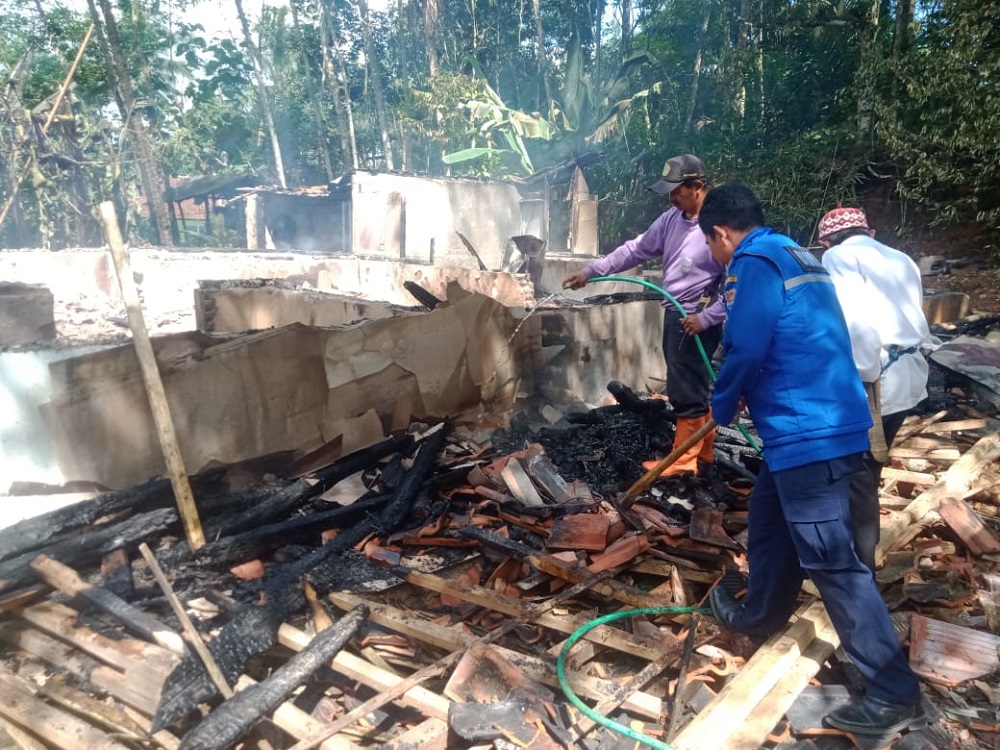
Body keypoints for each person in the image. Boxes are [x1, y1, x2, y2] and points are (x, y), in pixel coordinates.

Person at [701, 185, 925, 736]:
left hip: (810, 432)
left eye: (710, 243)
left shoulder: (752, 261)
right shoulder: (798, 253)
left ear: (722, 233)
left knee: (832, 562)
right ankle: (759, 615)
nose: (713, 253)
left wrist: (723, 403)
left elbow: (747, 344)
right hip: (828, 418)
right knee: (768, 521)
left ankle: (895, 692)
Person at [562, 154, 725, 476]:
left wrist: (708, 316)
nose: (672, 196)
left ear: (698, 187)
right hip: (676, 316)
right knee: (692, 386)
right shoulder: (671, 220)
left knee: (686, 390)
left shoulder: (720, 226)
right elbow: (634, 249)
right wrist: (592, 271)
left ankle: (683, 464)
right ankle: (702, 455)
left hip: (696, 321)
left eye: (677, 190)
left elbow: (739, 284)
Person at [817, 206, 935, 573]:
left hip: (877, 379)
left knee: (858, 479)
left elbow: (858, 329)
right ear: (867, 231)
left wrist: (857, 380)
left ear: (827, 240)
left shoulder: (838, 257)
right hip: (908, 375)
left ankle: (859, 570)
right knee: (867, 474)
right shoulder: (901, 258)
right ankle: (857, 562)